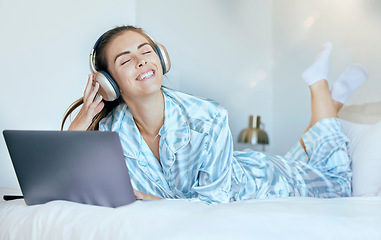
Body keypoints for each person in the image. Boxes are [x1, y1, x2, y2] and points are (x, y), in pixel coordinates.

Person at [62, 25, 369, 204]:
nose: (141, 61)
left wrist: (148, 202)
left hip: (259, 182)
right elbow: (64, 178)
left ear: (161, 58)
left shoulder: (207, 117)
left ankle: (319, 87)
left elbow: (211, 206)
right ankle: (335, 103)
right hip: (238, 170)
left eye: (146, 50)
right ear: (109, 82)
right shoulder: (112, 133)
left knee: (338, 185)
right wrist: (82, 120)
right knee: (307, 161)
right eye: (125, 60)